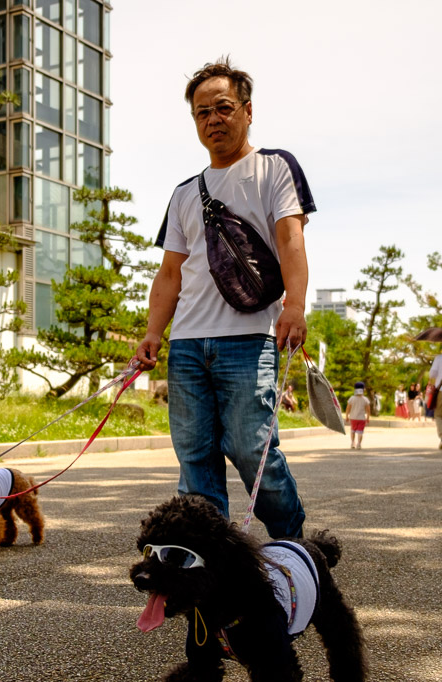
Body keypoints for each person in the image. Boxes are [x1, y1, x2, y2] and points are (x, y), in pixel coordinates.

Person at [133, 58, 313, 538]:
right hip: (188, 344)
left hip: (249, 337)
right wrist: (154, 332)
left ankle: (292, 543)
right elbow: (171, 271)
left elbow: (291, 240)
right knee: (194, 458)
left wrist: (294, 306)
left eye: (223, 108)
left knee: (253, 451)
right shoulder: (184, 193)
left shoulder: (274, 168)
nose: (213, 119)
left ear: (248, 111)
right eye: (202, 113)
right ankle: (209, 560)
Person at [346, 382, 371, 449]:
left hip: (353, 417)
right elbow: (368, 410)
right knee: (360, 432)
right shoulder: (365, 399)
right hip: (361, 418)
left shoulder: (351, 398)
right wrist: (368, 417)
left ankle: (352, 442)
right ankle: (359, 444)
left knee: (353, 431)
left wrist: (347, 416)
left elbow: (348, 408)